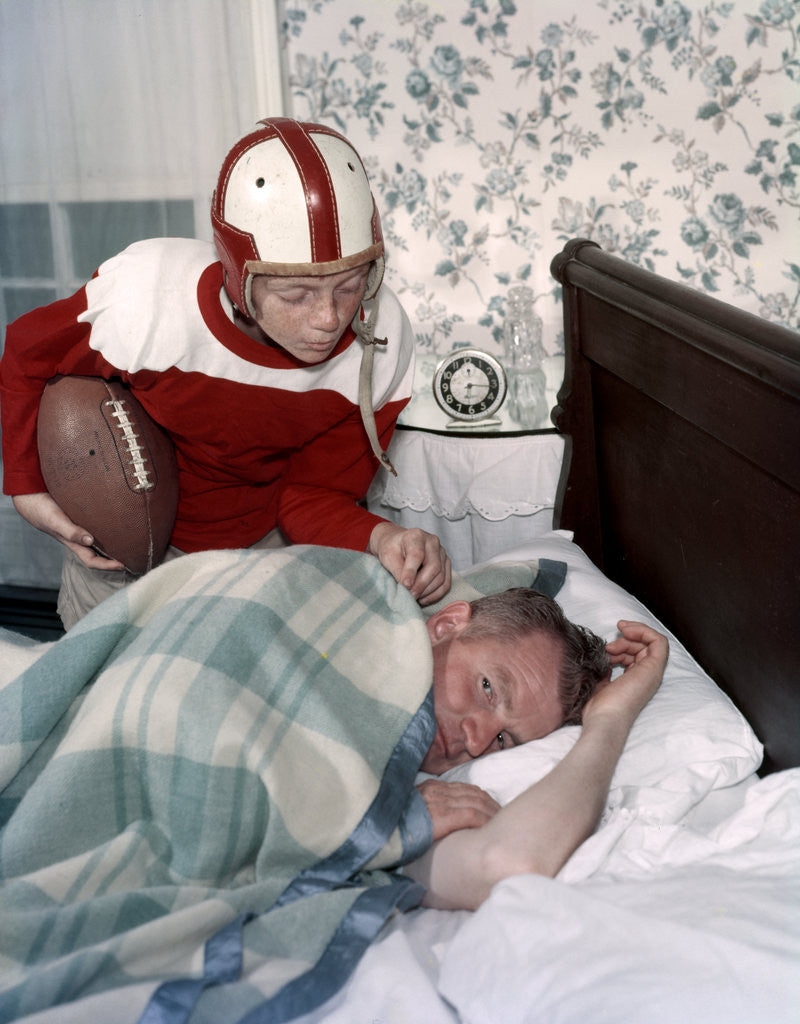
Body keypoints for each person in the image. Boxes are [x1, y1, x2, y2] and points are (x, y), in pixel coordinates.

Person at [0, 116, 451, 629]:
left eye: (348, 287)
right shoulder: (147, 300)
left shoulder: (380, 344)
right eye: (296, 295)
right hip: (126, 543)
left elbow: (315, 495)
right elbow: (28, 351)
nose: (329, 318)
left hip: (266, 544)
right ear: (239, 277)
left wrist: (383, 535)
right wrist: (27, 490)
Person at [408, 587, 668, 910]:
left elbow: (506, 865)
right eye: (488, 688)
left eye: (503, 740)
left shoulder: (410, 807)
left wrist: (610, 719)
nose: (475, 741)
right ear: (445, 626)